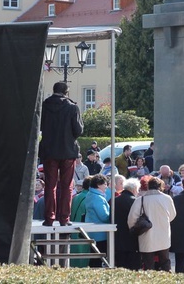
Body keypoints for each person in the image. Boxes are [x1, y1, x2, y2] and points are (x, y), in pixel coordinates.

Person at [39, 81, 83, 226]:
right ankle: (64, 218)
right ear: (66, 92)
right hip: (67, 151)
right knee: (67, 186)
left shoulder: (44, 105)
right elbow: (78, 130)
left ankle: (49, 218)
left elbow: (39, 126)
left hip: (49, 150)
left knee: (50, 186)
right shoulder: (72, 107)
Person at [128, 175, 177, 272]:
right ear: (160, 187)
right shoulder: (167, 198)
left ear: (148, 186)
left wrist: (135, 229)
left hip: (146, 235)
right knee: (165, 262)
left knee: (148, 263)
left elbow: (132, 218)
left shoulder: (140, 200)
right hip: (163, 234)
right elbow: (172, 215)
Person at [115, 178, 141, 270]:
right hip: (131, 238)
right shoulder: (135, 201)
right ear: (134, 189)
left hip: (117, 237)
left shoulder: (114, 200)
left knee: (120, 266)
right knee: (132, 267)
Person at [85, 175, 111, 267]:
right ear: (99, 185)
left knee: (95, 257)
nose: (106, 186)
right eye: (105, 184)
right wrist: (112, 215)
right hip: (100, 233)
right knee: (99, 258)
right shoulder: (97, 198)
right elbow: (104, 216)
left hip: (93, 232)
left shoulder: (90, 194)